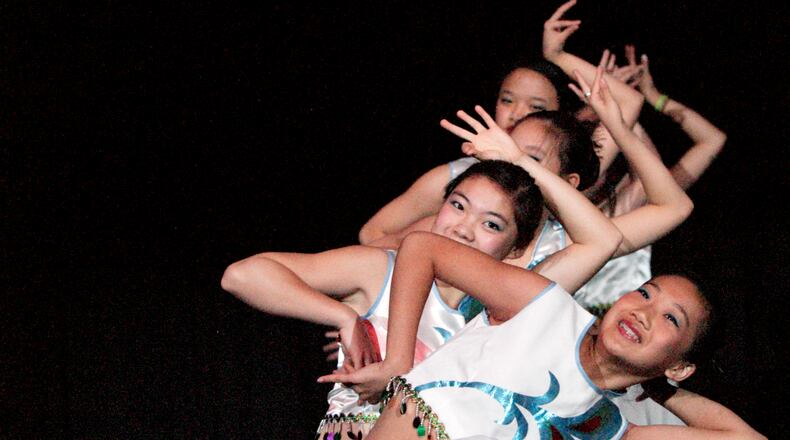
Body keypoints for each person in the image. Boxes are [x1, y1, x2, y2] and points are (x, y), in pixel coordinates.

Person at [318, 55, 763, 440]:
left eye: (669, 317)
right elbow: (410, 246)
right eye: (645, 293)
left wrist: (661, 380)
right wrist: (381, 334)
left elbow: (653, 212)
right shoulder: (543, 304)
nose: (644, 310)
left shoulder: (606, 425)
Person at [223, 154, 620, 437]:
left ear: (517, 249)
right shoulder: (382, 269)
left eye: (492, 224)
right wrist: (343, 317)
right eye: (457, 205)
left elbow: (603, 239)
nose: (464, 228)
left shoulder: (509, 308)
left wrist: (521, 160)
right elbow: (243, 275)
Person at [358, 59, 574, 245]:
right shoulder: (456, 175)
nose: (517, 114)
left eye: (536, 107)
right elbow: (373, 233)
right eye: (507, 100)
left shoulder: (566, 194)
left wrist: (558, 56)